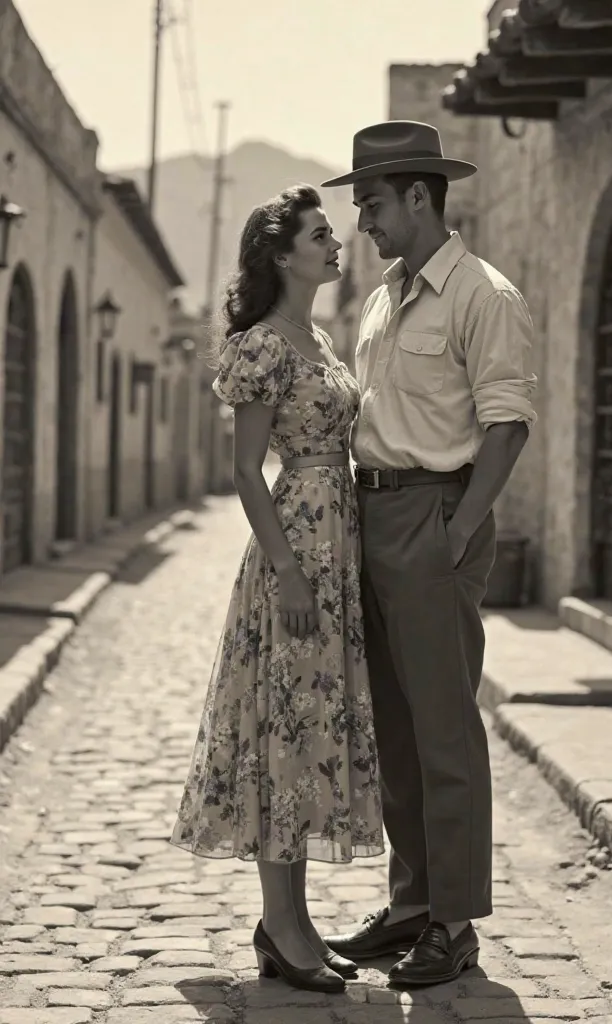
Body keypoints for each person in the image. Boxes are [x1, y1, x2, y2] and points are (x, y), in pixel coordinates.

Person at [320, 121, 537, 988]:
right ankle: (412, 903)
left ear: (419, 196)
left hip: (432, 518)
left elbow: (508, 423)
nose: (362, 221)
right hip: (370, 521)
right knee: (398, 731)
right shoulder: (382, 297)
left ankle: (455, 924)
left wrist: (454, 534)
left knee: (445, 729)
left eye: (371, 202)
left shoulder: (485, 294)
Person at [169, 184, 384, 995]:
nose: (337, 245)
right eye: (321, 235)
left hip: (338, 544)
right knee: (283, 731)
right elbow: (243, 474)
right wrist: (290, 572)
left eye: (333, 235)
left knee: (311, 728)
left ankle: (291, 925)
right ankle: (283, 928)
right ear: (282, 253)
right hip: (295, 549)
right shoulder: (263, 345)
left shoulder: (318, 338)